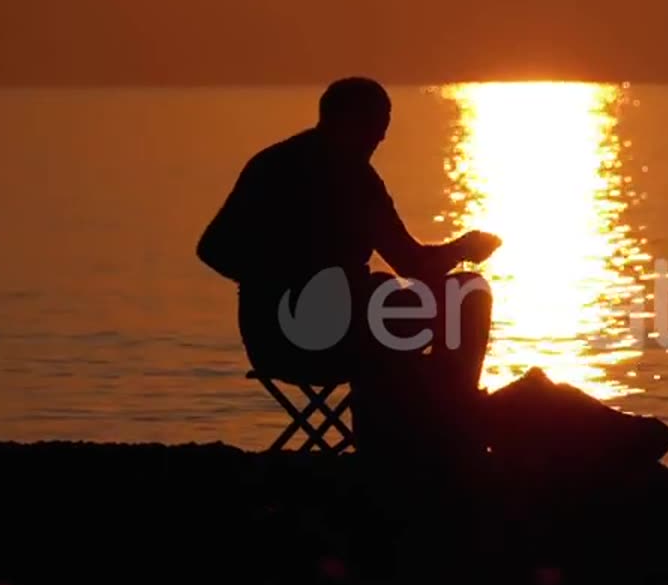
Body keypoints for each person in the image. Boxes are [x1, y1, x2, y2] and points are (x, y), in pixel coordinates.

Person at [196, 77, 502, 424]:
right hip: (329, 337)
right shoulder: (354, 179)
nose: (381, 137)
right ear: (344, 120)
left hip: (270, 344)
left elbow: (213, 249)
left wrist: (268, 282)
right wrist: (464, 248)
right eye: (375, 125)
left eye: (383, 126)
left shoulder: (270, 163)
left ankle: (435, 403)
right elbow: (415, 264)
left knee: (387, 294)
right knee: (465, 295)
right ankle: (454, 413)